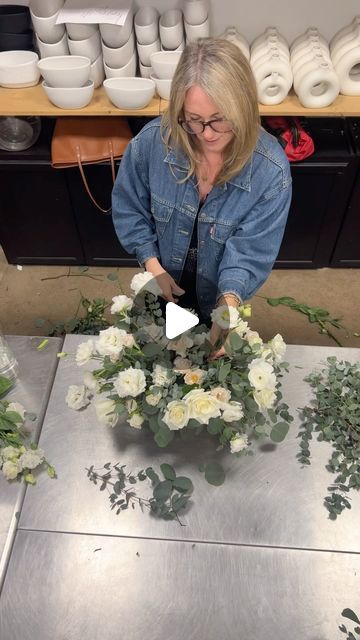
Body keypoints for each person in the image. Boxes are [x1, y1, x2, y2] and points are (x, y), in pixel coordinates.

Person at [112, 37, 292, 350]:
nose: (206, 134)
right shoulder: (153, 143)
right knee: (155, 355)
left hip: (217, 291)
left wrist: (227, 307)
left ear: (243, 107)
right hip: (162, 277)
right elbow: (129, 209)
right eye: (193, 120)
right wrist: (153, 267)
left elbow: (248, 254)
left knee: (207, 363)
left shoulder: (270, 172)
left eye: (219, 120)